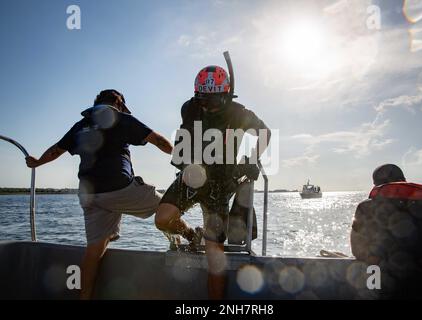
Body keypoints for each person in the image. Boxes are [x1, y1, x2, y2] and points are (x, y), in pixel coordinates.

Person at [25, 89, 173, 299]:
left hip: (90, 195)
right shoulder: (121, 118)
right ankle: (188, 236)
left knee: (94, 252)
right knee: (168, 206)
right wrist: (180, 155)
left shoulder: (80, 125)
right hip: (119, 189)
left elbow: (56, 150)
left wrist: (37, 162)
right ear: (118, 102)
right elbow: (157, 140)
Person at [155, 65, 271, 299]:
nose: (209, 106)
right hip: (192, 175)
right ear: (197, 95)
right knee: (162, 218)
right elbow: (184, 141)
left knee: (214, 256)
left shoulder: (239, 112)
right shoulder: (189, 108)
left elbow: (265, 133)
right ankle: (190, 235)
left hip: (221, 183)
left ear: (226, 93)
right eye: (204, 100)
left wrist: (250, 159)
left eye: (215, 100)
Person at [351, 164, 422, 299]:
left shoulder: (365, 208)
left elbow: (357, 250)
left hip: (386, 287)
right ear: (404, 180)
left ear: (375, 185)